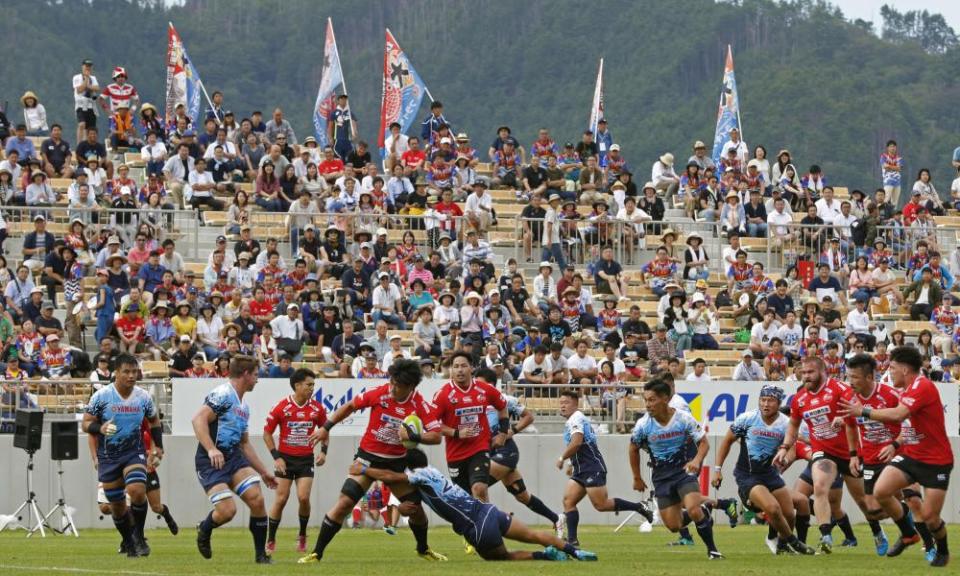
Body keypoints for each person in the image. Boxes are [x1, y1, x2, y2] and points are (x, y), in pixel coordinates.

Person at [300, 359, 447, 563]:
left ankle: (423, 549)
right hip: (367, 458)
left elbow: (437, 436)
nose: (393, 388)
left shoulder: (418, 403)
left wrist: (414, 436)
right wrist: (326, 427)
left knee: (416, 511)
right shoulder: (380, 393)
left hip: (396, 462)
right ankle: (317, 553)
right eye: (392, 382)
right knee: (344, 504)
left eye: (398, 386)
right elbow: (351, 405)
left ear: (411, 387)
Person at [351, 448, 596, 561]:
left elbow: (394, 477)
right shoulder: (433, 471)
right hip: (487, 510)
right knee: (532, 533)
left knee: (500, 558)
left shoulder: (419, 476)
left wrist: (364, 468)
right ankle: (575, 551)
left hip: (475, 526)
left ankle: (543, 556)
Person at [839, 346, 954, 566]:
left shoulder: (922, 386)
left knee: (930, 517)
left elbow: (899, 415)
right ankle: (909, 533)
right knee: (881, 493)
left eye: (891, 368)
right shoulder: (908, 389)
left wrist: (863, 412)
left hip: (935, 461)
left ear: (903, 369)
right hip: (910, 455)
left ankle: (942, 549)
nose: (888, 372)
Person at [773, 356, 867, 555]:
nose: (805, 376)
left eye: (810, 372)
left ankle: (867, 531)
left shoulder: (840, 389)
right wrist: (784, 451)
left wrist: (842, 418)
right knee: (802, 496)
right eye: (803, 372)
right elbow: (793, 431)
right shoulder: (799, 400)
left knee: (863, 504)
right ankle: (816, 538)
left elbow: (856, 413)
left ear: (822, 372)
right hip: (822, 455)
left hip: (848, 454)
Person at [192, 355, 279, 564]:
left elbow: (244, 444)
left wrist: (264, 471)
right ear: (246, 374)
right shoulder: (223, 394)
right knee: (228, 511)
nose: (258, 380)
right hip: (210, 460)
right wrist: (212, 449)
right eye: (256, 375)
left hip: (233, 457)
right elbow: (198, 419)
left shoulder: (244, 407)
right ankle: (204, 529)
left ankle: (261, 556)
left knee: (257, 500)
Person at [711, 385, 815, 555]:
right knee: (773, 509)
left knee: (789, 514)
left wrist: (786, 458)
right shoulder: (747, 419)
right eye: (763, 400)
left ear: (779, 402)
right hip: (748, 475)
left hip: (771, 474)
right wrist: (717, 469)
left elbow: (794, 444)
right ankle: (795, 543)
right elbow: (727, 441)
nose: (766, 404)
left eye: (771, 401)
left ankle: (782, 545)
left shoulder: (786, 424)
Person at [630, 379, 723, 560]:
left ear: (665, 398)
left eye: (652, 400)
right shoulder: (643, 425)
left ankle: (712, 550)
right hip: (661, 477)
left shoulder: (683, 418)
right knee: (673, 526)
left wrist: (696, 460)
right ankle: (703, 512)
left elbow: (703, 443)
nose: (648, 405)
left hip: (683, 472)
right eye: (646, 400)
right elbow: (633, 448)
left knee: (693, 508)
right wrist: (637, 477)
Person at [83, 353, 159, 557]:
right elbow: (86, 423)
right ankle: (128, 541)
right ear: (116, 373)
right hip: (109, 456)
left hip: (134, 452)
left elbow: (154, 421)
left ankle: (139, 537)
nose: (131, 375)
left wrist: (158, 446)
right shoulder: (101, 396)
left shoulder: (143, 397)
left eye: (134, 371)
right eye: (126, 371)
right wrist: (100, 428)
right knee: (115, 507)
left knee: (136, 490)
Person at [430, 352, 508, 553]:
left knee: (479, 489)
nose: (459, 370)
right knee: (464, 500)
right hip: (455, 455)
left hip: (480, 448)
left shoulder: (485, 390)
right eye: (455, 366)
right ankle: (471, 531)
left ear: (471, 368)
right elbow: (432, 424)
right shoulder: (443, 394)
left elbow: (502, 407)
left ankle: (489, 532)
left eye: (463, 365)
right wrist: (456, 432)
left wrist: (503, 432)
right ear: (451, 370)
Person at [558, 390, 652, 547]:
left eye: (566, 403)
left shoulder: (576, 418)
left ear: (576, 404)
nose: (562, 406)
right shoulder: (573, 420)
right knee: (568, 501)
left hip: (592, 467)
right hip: (580, 469)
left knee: (601, 505)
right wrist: (570, 464)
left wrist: (562, 458)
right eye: (560, 403)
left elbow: (576, 442)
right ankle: (572, 540)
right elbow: (576, 444)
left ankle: (639, 507)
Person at [263, 368, 328, 555]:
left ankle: (302, 535)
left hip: (305, 460)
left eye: (313, 385)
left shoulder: (317, 408)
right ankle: (271, 539)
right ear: (297, 385)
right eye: (309, 384)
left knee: (303, 497)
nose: (311, 388)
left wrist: (323, 452)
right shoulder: (282, 407)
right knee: (281, 499)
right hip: (285, 459)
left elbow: (325, 431)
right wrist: (277, 457)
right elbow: (267, 433)